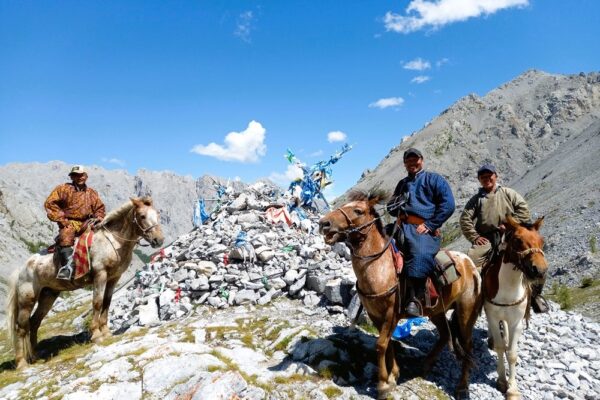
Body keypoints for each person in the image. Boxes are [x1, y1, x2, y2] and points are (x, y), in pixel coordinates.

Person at [460, 163, 548, 313]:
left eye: (489, 176)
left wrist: (511, 224)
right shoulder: (475, 200)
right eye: (483, 177)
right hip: (486, 238)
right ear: (479, 179)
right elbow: (465, 219)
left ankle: (535, 296)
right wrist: (475, 237)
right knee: (471, 262)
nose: (486, 179)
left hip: (510, 235)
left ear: (496, 176)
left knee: (536, 260)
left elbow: (523, 210)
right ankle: (474, 297)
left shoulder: (508, 193)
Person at [386, 148, 455, 317]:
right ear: (404, 164)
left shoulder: (434, 179)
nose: (412, 163)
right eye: (408, 161)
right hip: (401, 226)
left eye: (415, 160)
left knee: (420, 253)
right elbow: (391, 210)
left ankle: (415, 299)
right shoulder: (402, 184)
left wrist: (431, 224)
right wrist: (395, 203)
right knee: (375, 243)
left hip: (422, 228)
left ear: (421, 160)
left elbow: (448, 205)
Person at [45, 165, 106, 280]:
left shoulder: (92, 193)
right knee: (66, 235)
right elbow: (50, 204)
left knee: (102, 236)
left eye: (82, 175)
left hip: (87, 222)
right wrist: (61, 219)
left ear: (86, 176)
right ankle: (67, 267)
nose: (79, 177)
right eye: (76, 175)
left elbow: (100, 208)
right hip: (69, 222)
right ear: (72, 177)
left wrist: (98, 216)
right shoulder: (62, 189)